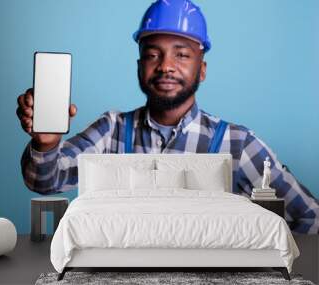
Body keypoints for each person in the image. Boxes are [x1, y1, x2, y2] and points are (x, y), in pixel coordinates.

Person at [16, 0, 319, 234]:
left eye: (182, 54)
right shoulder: (112, 130)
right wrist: (46, 143)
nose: (166, 66)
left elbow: (310, 218)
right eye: (153, 54)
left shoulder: (237, 144)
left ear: (202, 68)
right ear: (139, 66)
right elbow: (46, 181)